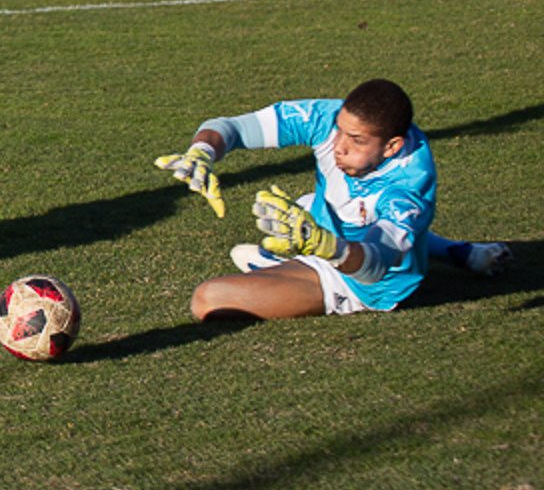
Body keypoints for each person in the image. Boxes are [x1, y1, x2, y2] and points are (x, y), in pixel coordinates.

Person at [156, 79, 512, 322]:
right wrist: (201, 153)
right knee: (313, 201)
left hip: (366, 282)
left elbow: (374, 266)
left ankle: (279, 262)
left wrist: (323, 245)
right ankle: (458, 252)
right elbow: (231, 127)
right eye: (340, 130)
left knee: (209, 300)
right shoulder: (332, 120)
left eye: (356, 140)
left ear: (392, 147)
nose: (339, 145)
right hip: (338, 227)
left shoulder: (407, 190)